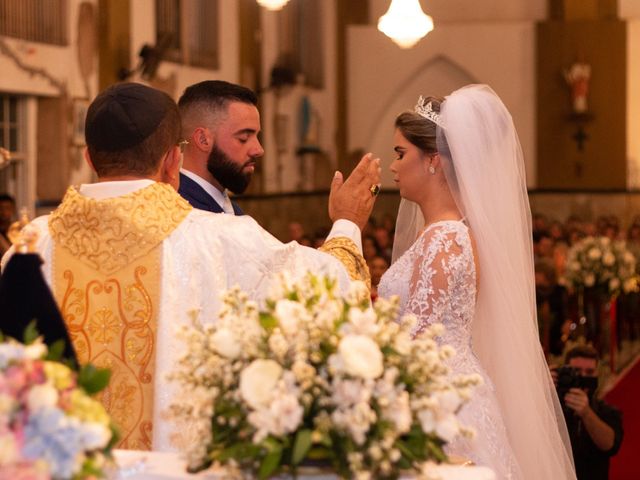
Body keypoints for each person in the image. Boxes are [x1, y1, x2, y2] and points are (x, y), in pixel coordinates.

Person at [1, 82, 381, 452]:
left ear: (88, 158)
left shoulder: (28, 245)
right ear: (173, 160)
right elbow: (332, 290)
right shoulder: (220, 238)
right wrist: (347, 222)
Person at [377, 85, 576, 479]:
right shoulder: (443, 233)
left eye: (401, 154)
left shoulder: (444, 238)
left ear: (433, 161)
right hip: (446, 389)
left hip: (438, 401)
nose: (393, 167)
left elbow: (415, 342)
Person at [177, 80, 263, 214]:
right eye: (244, 138)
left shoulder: (232, 210)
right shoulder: (180, 214)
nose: (259, 150)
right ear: (203, 140)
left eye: (257, 136)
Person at [552, 346, 623, 479]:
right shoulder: (550, 408)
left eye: (589, 372)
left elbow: (610, 445)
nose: (583, 377)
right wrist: (542, 390)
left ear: (597, 375)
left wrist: (586, 413)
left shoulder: (606, 411)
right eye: (576, 371)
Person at [0, 193, 16, 257]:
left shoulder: (16, 229)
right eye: (1, 208)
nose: (4, 212)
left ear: (13, 209)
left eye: (7, 208)